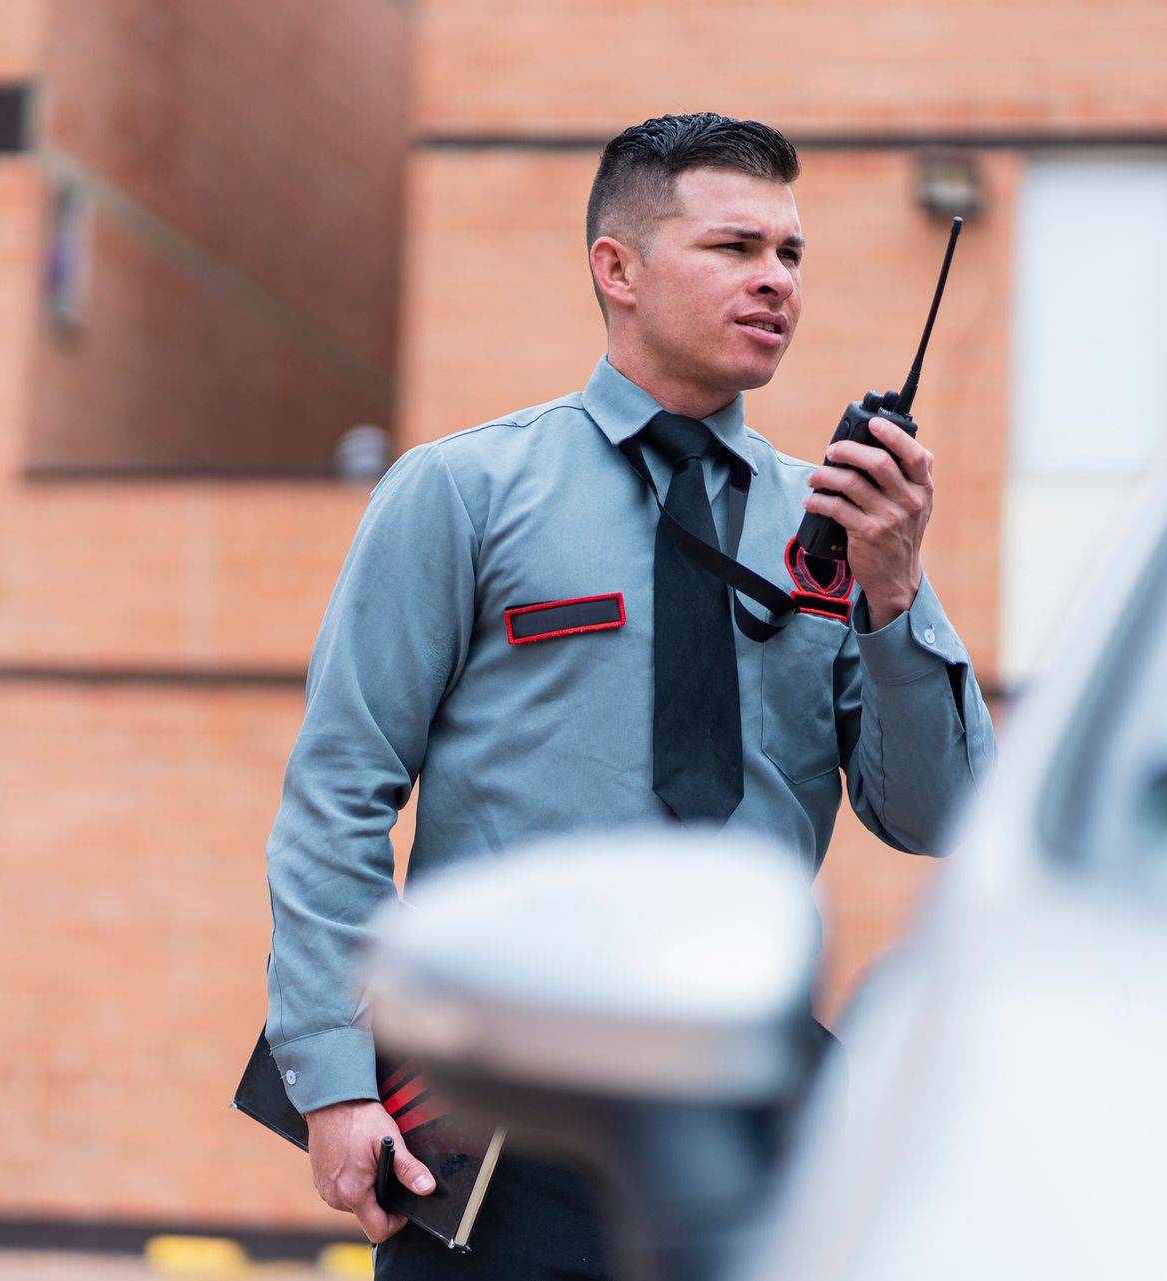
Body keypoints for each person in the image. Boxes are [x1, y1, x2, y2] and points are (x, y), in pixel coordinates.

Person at [261, 112, 998, 1280]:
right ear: (619, 269)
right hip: (503, 1115)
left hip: (752, 1122)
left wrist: (895, 595)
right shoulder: (461, 493)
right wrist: (337, 1079)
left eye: (791, 256)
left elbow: (946, 816)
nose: (775, 283)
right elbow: (338, 793)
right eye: (735, 249)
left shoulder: (844, 528)